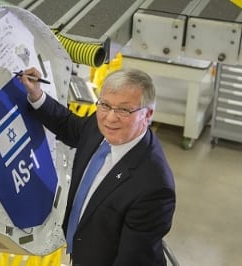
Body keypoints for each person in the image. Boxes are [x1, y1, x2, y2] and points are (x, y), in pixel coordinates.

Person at [18, 67, 176, 266]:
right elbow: (69, 126)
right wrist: (37, 94)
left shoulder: (154, 187)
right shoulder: (102, 124)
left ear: (148, 114)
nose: (110, 118)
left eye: (124, 110)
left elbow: (132, 261)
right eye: (105, 105)